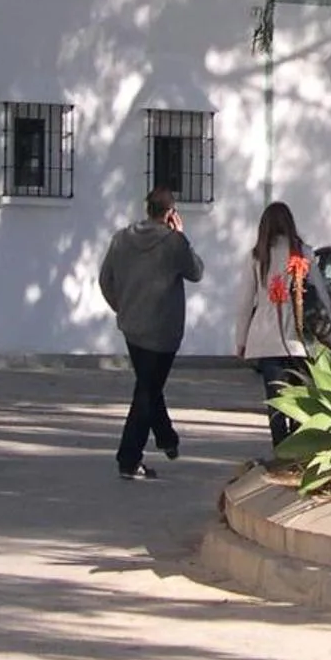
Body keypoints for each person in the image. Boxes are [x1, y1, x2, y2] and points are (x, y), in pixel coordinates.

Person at [99, 186, 204, 479]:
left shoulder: (121, 238)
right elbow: (196, 271)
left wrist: (122, 307)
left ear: (147, 209)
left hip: (132, 327)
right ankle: (129, 459)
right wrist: (181, 236)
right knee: (147, 390)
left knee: (149, 386)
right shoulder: (173, 243)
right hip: (164, 330)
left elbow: (105, 279)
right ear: (171, 213)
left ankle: (167, 438)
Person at [232, 200, 331, 448]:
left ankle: (281, 451)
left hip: (267, 340)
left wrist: (241, 341)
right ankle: (299, 451)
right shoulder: (303, 253)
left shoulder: (257, 256)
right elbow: (321, 294)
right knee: (301, 401)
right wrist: (328, 323)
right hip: (300, 340)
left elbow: (245, 302)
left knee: (276, 401)